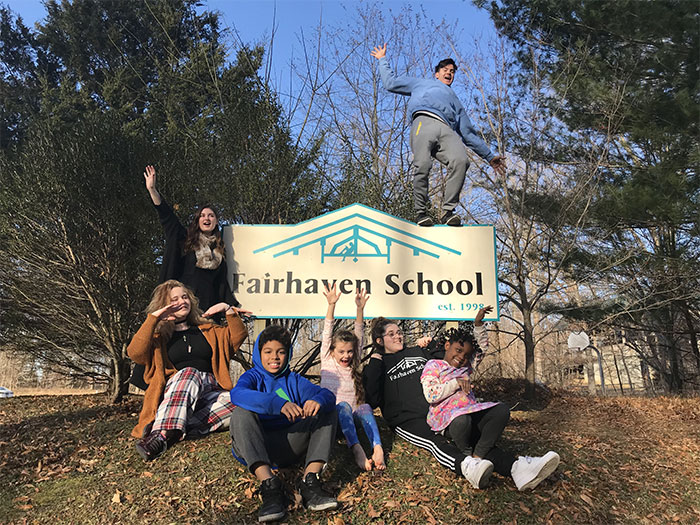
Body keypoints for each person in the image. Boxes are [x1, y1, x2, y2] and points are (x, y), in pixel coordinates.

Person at [362, 312, 559, 491]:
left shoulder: (418, 351)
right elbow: (372, 399)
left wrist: (432, 343)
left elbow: (454, 356)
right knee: (434, 442)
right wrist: (376, 359)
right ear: (380, 340)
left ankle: (518, 468)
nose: (398, 336)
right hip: (407, 419)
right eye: (391, 334)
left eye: (399, 332)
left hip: (440, 410)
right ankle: (466, 466)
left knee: (474, 436)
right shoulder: (379, 363)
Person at [420, 306, 560, 490]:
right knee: (461, 420)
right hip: (447, 419)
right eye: (458, 350)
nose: (461, 357)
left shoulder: (466, 368)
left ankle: (479, 457)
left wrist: (478, 324)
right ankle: (470, 458)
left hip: (471, 414)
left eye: (465, 355)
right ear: (447, 346)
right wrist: (455, 383)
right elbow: (431, 395)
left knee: (501, 410)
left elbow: (482, 348)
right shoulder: (433, 365)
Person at [131, 165, 245, 391]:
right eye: (203, 215)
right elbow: (168, 219)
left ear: (216, 222)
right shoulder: (186, 241)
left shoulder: (220, 253)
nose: (207, 218)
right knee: (169, 347)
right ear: (197, 220)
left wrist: (232, 308)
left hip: (206, 309)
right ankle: (159, 389)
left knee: (203, 353)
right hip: (180, 305)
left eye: (211, 215)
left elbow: (221, 286)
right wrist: (153, 190)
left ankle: (203, 390)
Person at [370, 43, 507, 227]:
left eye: (452, 71)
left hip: (446, 130)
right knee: (423, 164)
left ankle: (448, 212)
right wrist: (382, 59)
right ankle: (421, 213)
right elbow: (390, 83)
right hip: (423, 122)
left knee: (461, 160)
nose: (449, 73)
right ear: (437, 73)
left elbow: (468, 133)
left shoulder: (456, 102)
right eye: (445, 69)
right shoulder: (421, 83)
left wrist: (489, 157)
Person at [127, 280, 247, 461]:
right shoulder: (158, 337)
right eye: (174, 300)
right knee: (189, 373)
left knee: (242, 403)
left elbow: (238, 337)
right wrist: (155, 318)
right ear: (165, 305)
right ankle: (160, 435)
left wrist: (227, 308)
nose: (182, 301)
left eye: (184, 297)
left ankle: (175, 427)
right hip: (177, 389)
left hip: (209, 390)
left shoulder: (209, 329)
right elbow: (135, 353)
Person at [229, 325, 339, 522]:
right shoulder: (252, 377)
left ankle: (310, 482)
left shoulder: (294, 380)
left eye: (281, 352)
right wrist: (277, 404)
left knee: (328, 410)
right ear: (259, 353)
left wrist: (317, 401)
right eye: (268, 352)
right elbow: (237, 394)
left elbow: (327, 395)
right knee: (240, 412)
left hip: (290, 444)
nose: (275, 357)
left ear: (288, 355)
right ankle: (270, 486)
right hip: (256, 445)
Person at [320, 284, 385, 471]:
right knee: (343, 406)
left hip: (354, 418)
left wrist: (360, 309)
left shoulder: (353, 362)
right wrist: (331, 305)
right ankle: (357, 449)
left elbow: (359, 333)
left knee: (365, 407)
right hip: (335, 419)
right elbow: (327, 331)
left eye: (349, 351)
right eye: (341, 351)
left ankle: (377, 446)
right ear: (332, 351)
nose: (346, 356)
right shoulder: (327, 360)